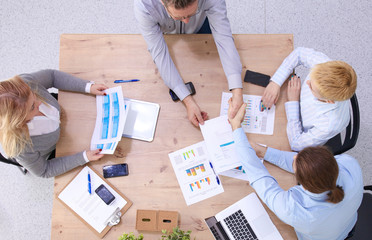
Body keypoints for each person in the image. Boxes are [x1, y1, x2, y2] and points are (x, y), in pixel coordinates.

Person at [228, 102, 363, 240]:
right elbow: (310, 167)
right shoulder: (350, 165)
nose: (293, 156)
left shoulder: (296, 211)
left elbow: (259, 177)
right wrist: (265, 152)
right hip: (347, 225)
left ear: (303, 184)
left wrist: (236, 127)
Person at [134, 0, 243, 127]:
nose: (186, 21)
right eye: (178, 16)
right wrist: (187, 100)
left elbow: (224, 38)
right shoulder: (144, 6)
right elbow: (160, 55)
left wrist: (237, 90)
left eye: (191, 14)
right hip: (165, 31)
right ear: (162, 3)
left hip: (201, 26)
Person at [0, 69, 108, 178]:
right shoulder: (21, 148)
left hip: (69, 116)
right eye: (32, 106)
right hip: (60, 148)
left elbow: (52, 76)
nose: (40, 103)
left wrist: (87, 87)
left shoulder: (24, 84)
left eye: (34, 94)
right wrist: (84, 157)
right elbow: (44, 171)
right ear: (18, 121)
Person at [261, 47, 357, 151]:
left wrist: (293, 102)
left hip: (302, 127)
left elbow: (296, 143)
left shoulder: (328, 124)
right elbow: (299, 53)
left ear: (328, 101)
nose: (307, 83)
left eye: (311, 87)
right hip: (297, 105)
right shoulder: (325, 65)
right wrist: (276, 82)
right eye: (311, 77)